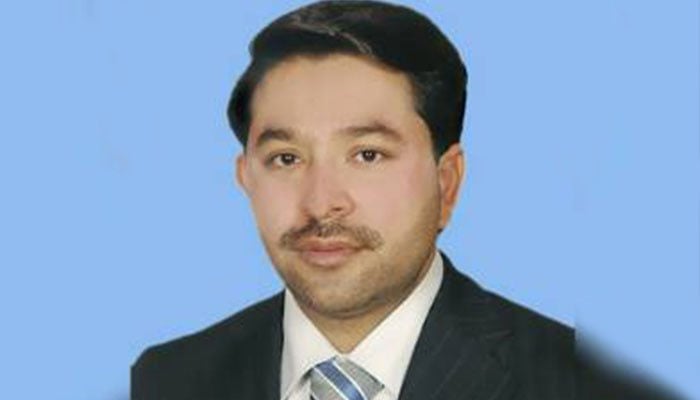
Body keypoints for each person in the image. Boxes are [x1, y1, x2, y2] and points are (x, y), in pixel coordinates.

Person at [131, 1, 681, 399]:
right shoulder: (166, 380)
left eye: (367, 155)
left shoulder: (580, 384)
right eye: (286, 158)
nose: (320, 204)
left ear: (447, 183)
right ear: (245, 177)